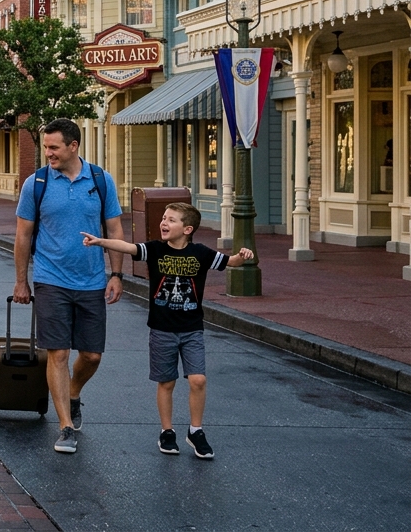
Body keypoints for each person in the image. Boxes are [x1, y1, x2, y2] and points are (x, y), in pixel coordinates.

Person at [82, 202, 251, 459]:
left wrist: (243, 256)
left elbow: (229, 261)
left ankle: (195, 431)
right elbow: (128, 248)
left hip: (192, 329)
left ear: (187, 229)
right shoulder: (155, 250)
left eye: (171, 220)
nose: (164, 222)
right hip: (161, 329)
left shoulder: (201, 254)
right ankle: (167, 431)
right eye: (164, 218)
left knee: (198, 379)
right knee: (167, 381)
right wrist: (100, 242)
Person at [13, 117, 124, 455]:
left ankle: (73, 392)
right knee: (58, 352)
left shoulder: (101, 181)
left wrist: (116, 274)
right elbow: (23, 236)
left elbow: (114, 231)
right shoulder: (37, 184)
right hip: (50, 279)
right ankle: (65, 426)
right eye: (46, 147)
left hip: (91, 280)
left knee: (91, 355)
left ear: (73, 146)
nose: (48, 153)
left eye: (54, 147)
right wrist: (22, 281)